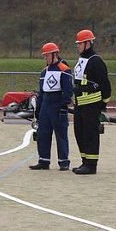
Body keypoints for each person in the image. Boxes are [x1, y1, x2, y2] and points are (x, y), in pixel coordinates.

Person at [71, 29, 111, 175]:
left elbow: (105, 85)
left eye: (80, 43)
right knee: (79, 133)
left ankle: (91, 165)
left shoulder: (96, 61)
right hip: (79, 104)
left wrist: (103, 103)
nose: (78, 46)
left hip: (91, 104)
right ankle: (85, 161)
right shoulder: (82, 59)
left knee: (90, 134)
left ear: (88, 43)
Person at [30, 42, 73, 171]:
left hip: (58, 104)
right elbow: (41, 92)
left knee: (61, 135)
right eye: (44, 56)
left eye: (47, 55)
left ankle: (64, 162)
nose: (45, 58)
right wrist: (38, 109)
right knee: (42, 134)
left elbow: (68, 91)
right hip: (46, 105)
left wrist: (63, 106)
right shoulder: (44, 71)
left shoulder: (64, 69)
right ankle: (43, 160)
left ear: (55, 54)